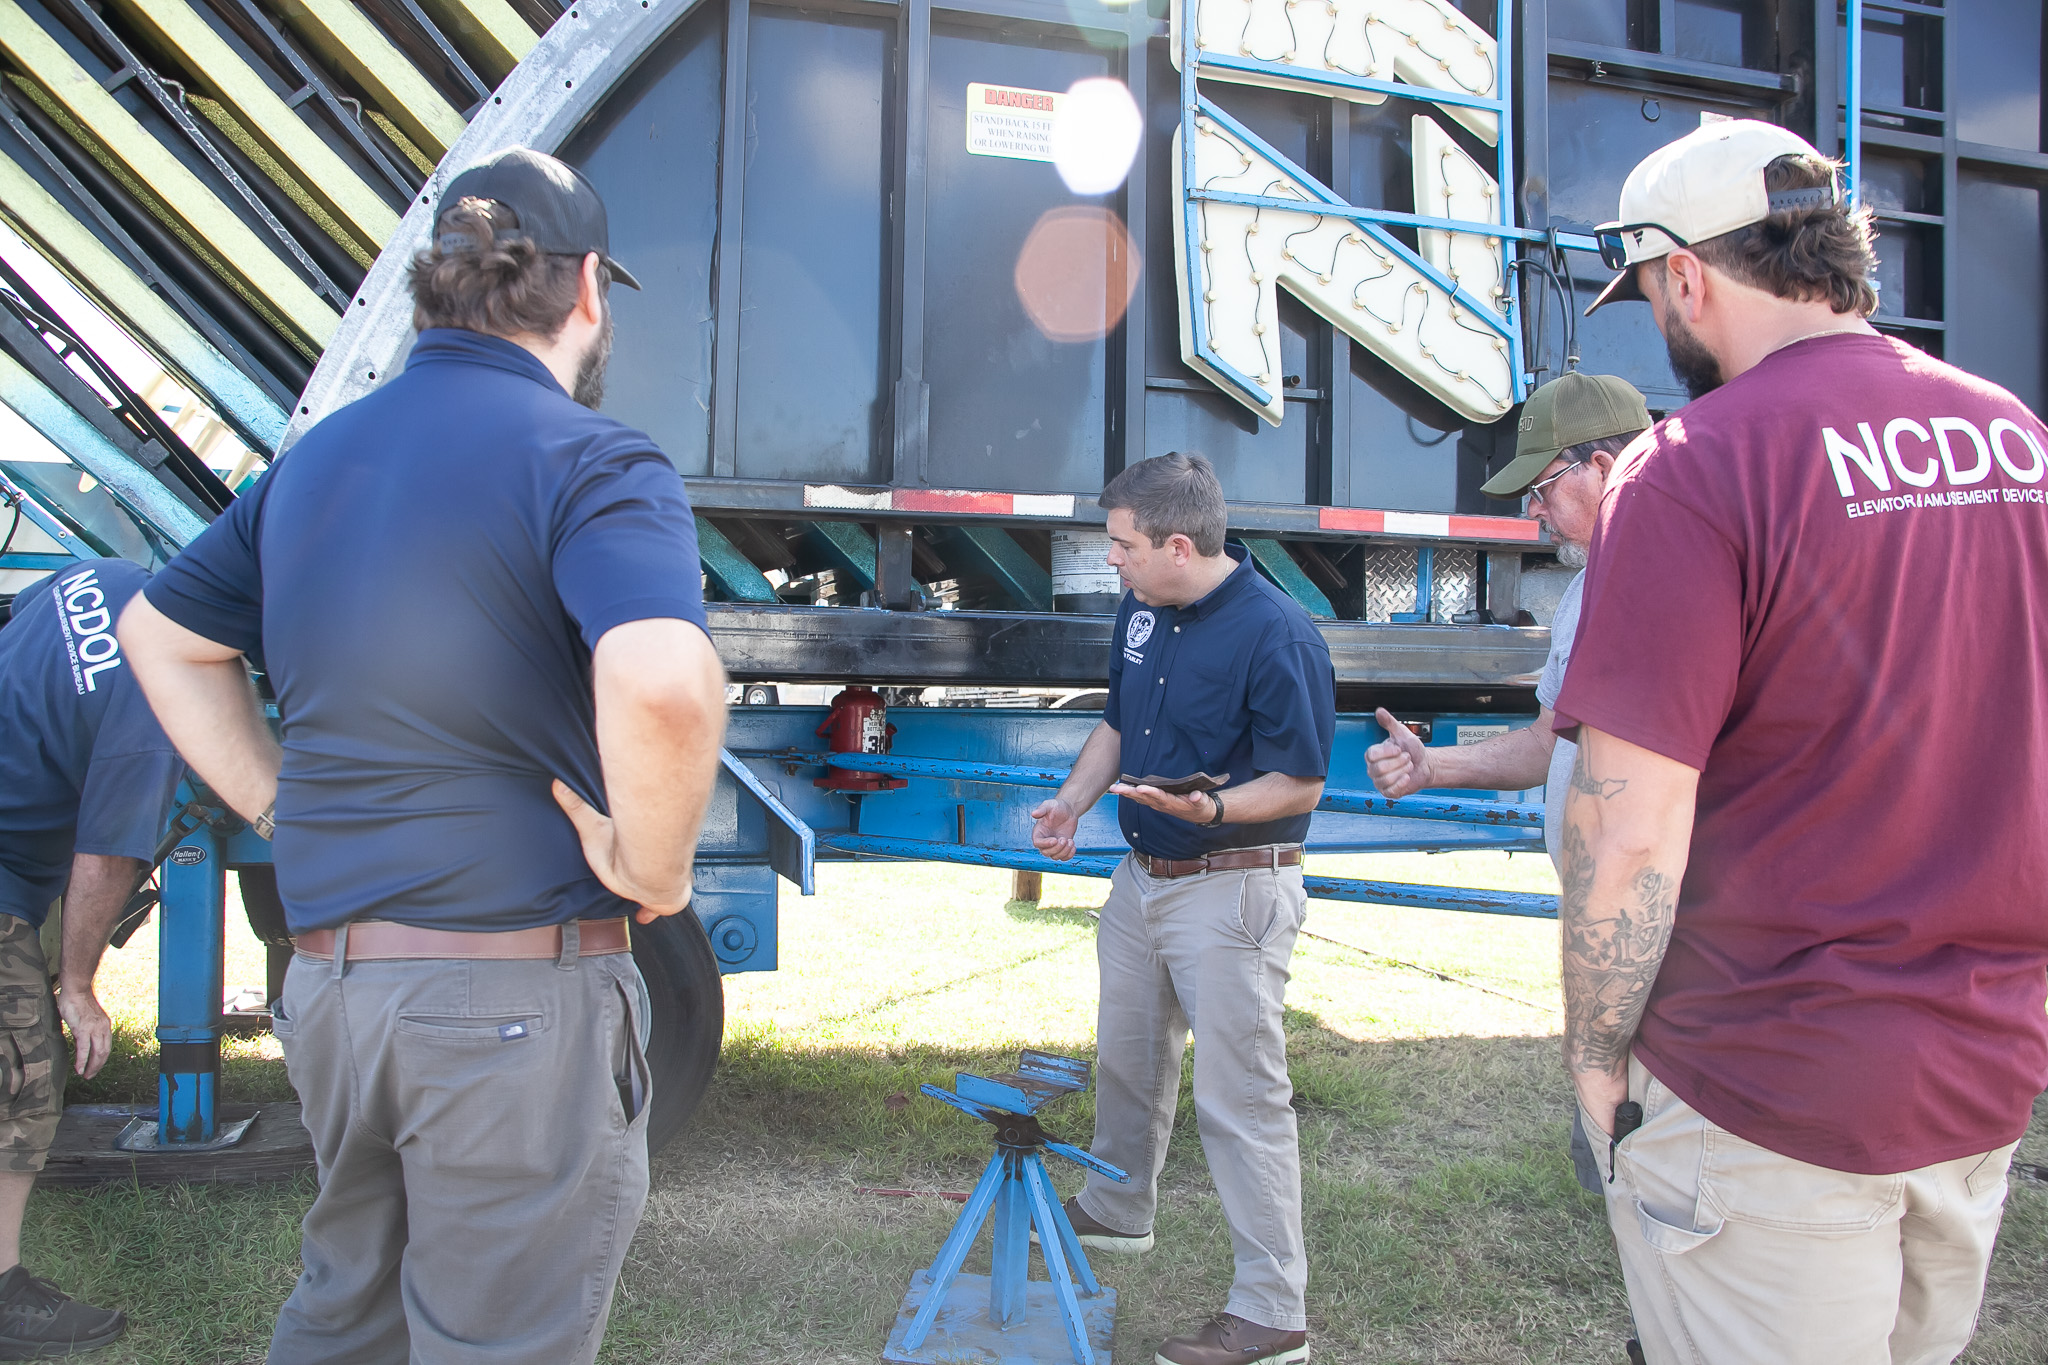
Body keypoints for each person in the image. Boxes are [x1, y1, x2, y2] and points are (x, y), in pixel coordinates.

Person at [117, 147, 727, 1365]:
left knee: (347, 1323)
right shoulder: (592, 459)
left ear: (436, 288)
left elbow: (161, 634)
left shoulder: (314, 465)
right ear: (588, 291)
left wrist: (282, 807)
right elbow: (663, 679)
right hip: (512, 1000)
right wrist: (653, 872)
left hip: (337, 996)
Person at [1551, 117, 2048, 1364]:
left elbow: (1624, 832)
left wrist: (1594, 1056)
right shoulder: (2016, 439)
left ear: (1683, 275)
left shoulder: (1688, 468)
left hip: (1764, 1092)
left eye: (1648, 294)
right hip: (1977, 1075)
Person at [1029, 452, 1334, 1365]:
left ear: (1176, 543)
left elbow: (1301, 777)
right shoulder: (1144, 607)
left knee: (1240, 1100)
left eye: (1121, 545)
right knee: (1126, 1060)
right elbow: (1119, 720)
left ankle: (1273, 1311)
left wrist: (1209, 808)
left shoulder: (1280, 633)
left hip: (1234, 887)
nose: (1110, 560)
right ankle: (1120, 1207)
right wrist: (1075, 801)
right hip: (1142, 882)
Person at [1365, 370, 1649, 1194]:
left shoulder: (1684, 583)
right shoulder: (1588, 590)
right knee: (1613, 1158)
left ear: (1602, 465)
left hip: (1661, 935)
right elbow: (1543, 742)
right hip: (1607, 930)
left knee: (1664, 1167)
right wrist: (1434, 765)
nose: (1532, 512)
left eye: (1542, 487)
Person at [0, 557, 183, 1357]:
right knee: (23, 1083)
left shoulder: (99, 575)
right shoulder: (163, 682)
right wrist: (76, 985)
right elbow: (109, 853)